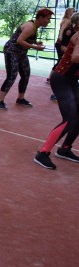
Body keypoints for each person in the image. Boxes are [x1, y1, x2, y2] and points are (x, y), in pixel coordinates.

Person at [34, 29, 79, 169]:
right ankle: (42, 153)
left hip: (72, 79)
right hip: (61, 78)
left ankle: (65, 148)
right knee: (70, 119)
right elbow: (75, 58)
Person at [0, 8, 53, 110]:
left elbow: (26, 40)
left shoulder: (35, 26)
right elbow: (19, 40)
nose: (49, 21)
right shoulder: (30, 27)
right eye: (48, 19)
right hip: (12, 51)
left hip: (21, 53)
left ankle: (20, 98)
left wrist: (35, 43)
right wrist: (35, 47)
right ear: (40, 18)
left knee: (25, 74)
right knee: (12, 76)